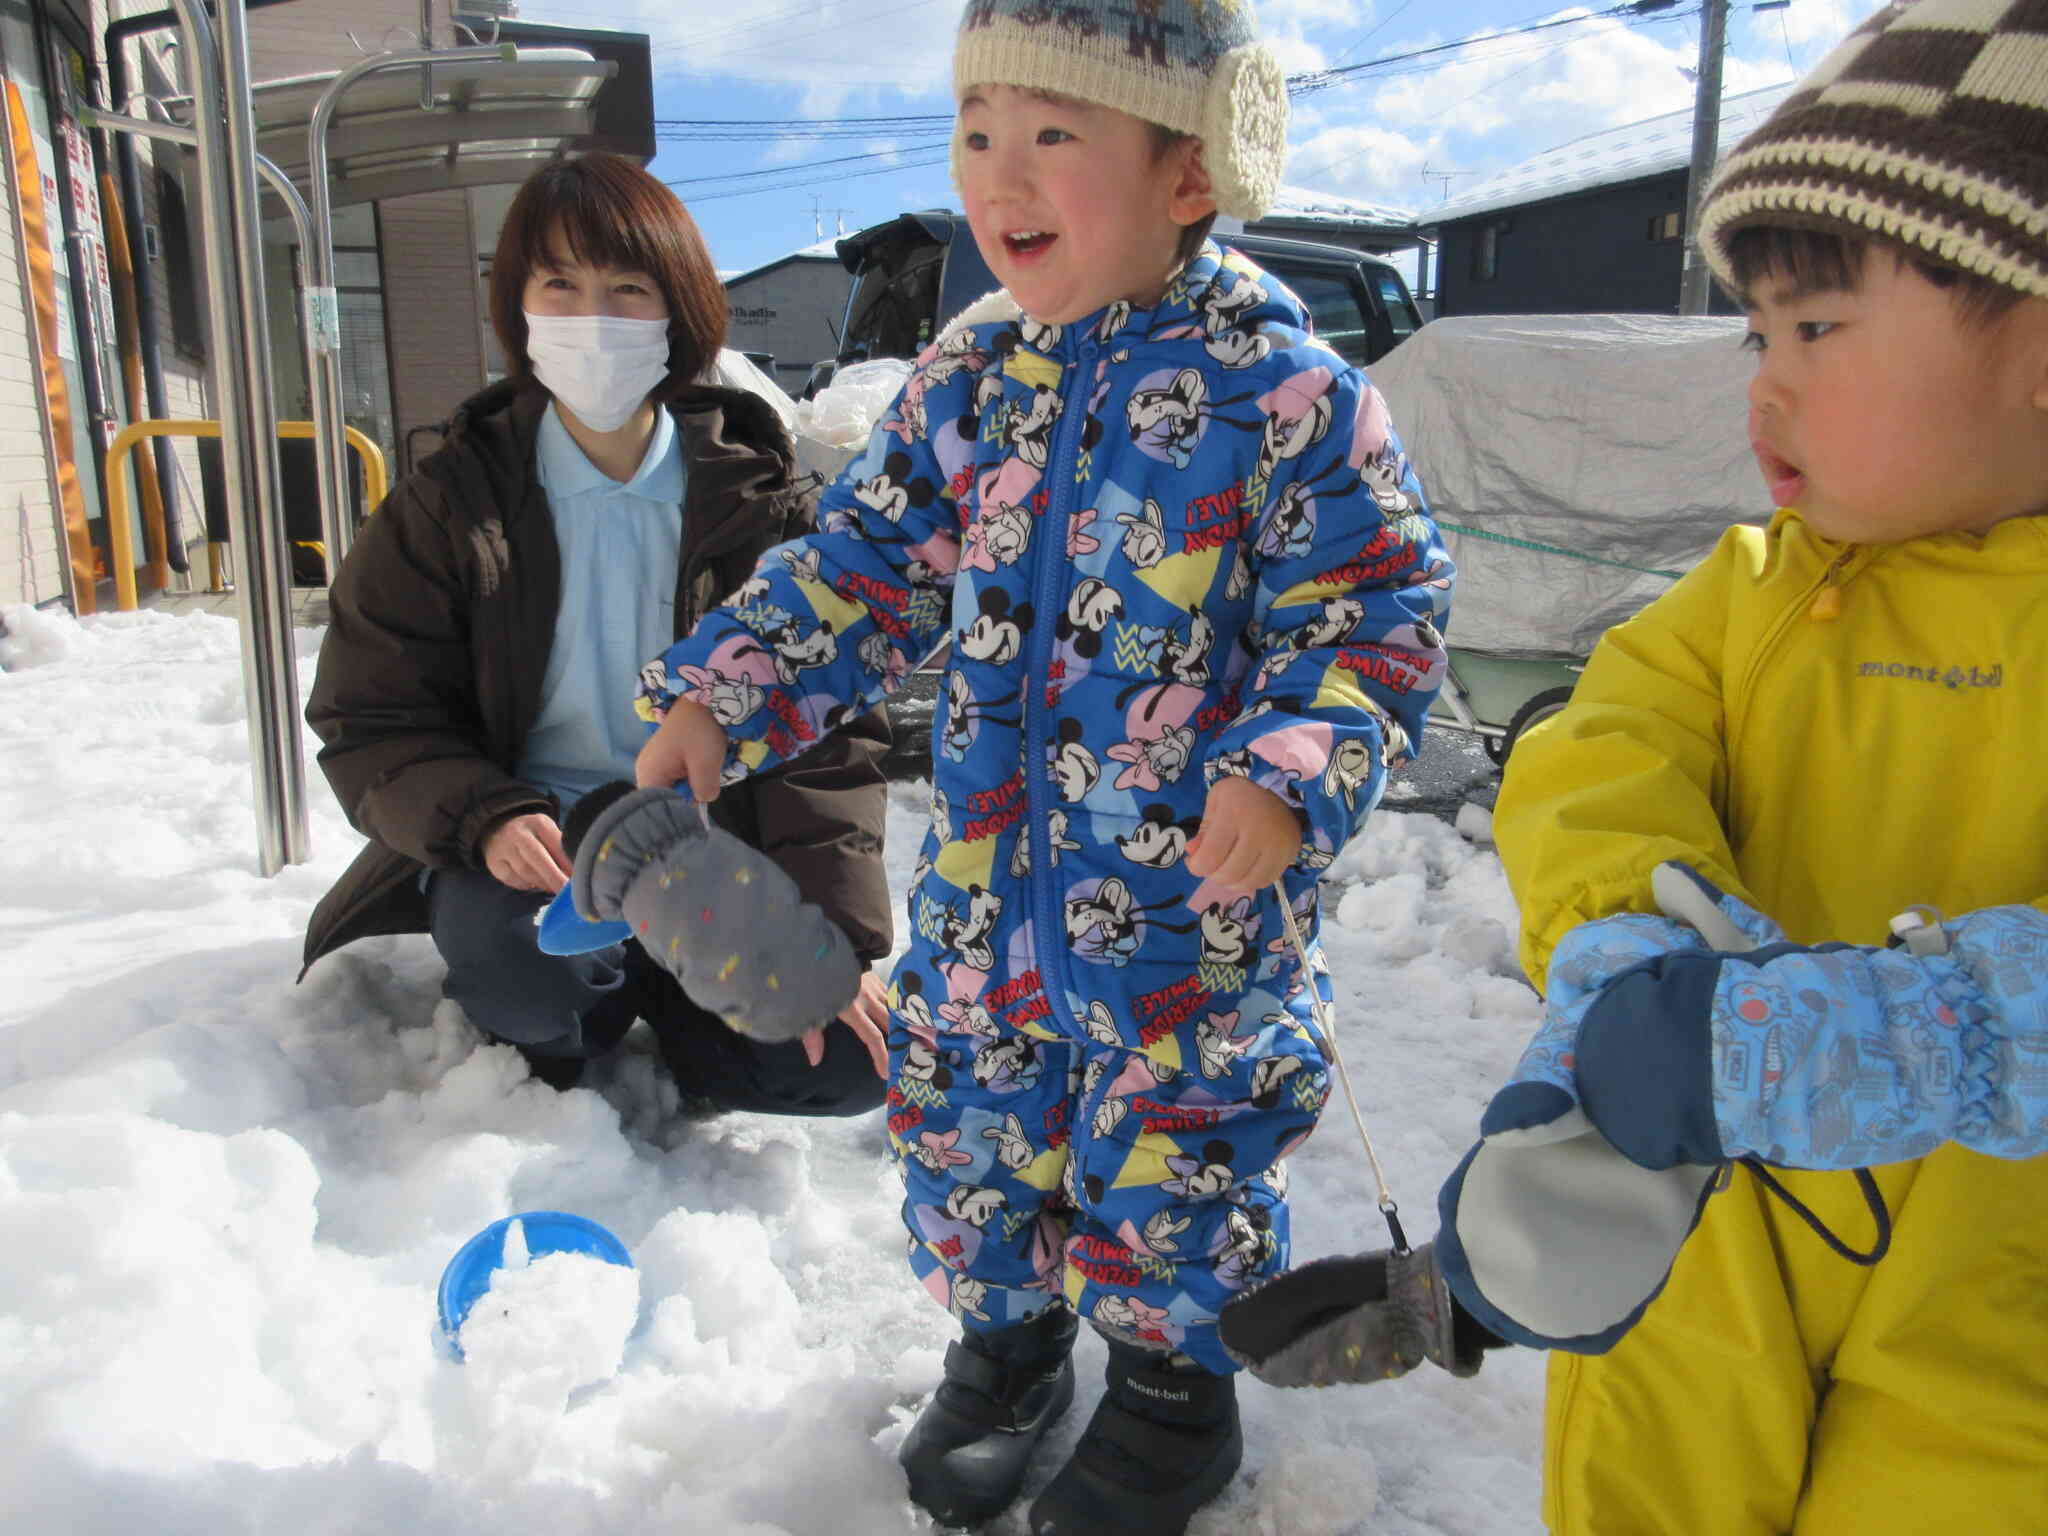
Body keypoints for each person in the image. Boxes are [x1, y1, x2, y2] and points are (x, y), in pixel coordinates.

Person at [1218, 4, 2048, 1530]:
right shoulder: (1755, 587)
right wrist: (1618, 970)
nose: (1763, 385)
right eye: (1755, 334)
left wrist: (1932, 1036)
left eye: (1816, 329)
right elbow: (1601, 754)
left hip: (1987, 1374)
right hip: (1693, 1333)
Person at [632, 3, 1454, 1529]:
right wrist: (724, 694)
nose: (999, 176)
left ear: (1188, 174)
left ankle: (1166, 1386)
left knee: (1181, 1148)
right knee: (971, 1131)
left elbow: (1375, 609)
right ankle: (1004, 1343)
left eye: (1053, 136)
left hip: (1187, 913)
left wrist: (1288, 765)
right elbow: (869, 566)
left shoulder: (1285, 390)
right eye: (977, 133)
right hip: (986, 889)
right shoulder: (971, 375)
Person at [300, 152, 895, 1118]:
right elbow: (374, 714)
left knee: (839, 1061)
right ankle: (576, 1018)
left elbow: (830, 737)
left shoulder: (766, 506)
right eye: (560, 285)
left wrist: (834, 937)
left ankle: (683, 1008)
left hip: (704, 845)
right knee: (528, 981)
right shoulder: (451, 500)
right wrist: (481, 817)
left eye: (629, 289)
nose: (594, 318)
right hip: (533, 842)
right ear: (519, 306)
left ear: (682, 312)